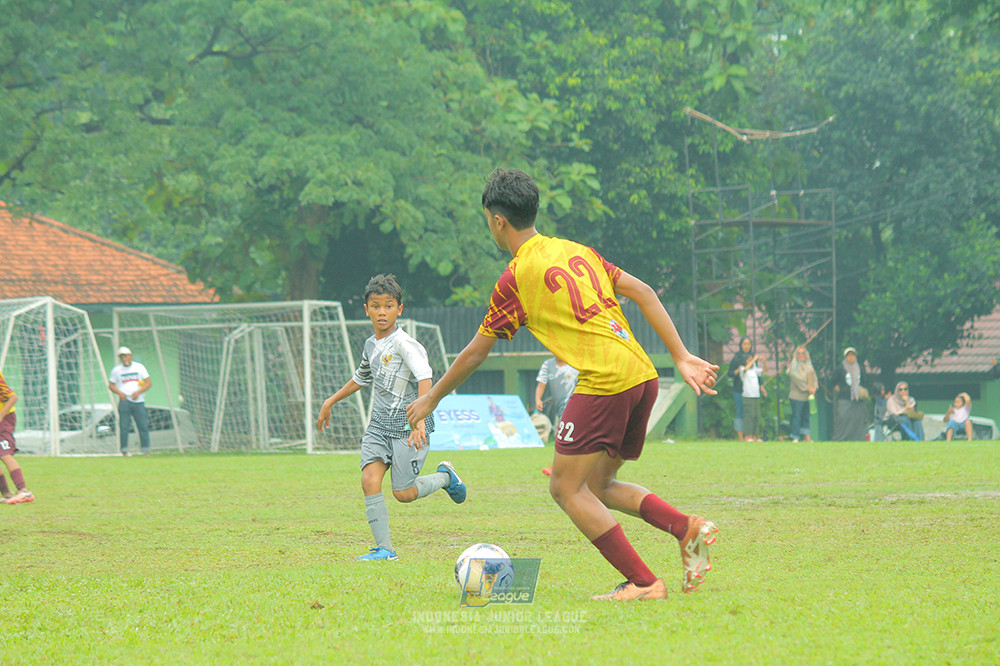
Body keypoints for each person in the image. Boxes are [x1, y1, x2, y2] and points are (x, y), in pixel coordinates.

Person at [407, 168, 720, 601]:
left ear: (497, 220)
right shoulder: (578, 251)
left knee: (564, 488)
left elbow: (476, 353)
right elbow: (646, 291)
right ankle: (686, 529)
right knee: (599, 486)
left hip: (605, 380)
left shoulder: (516, 277)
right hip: (641, 373)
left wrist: (430, 399)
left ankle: (645, 583)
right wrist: (681, 356)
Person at [317, 274, 466, 562]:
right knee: (369, 479)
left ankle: (446, 477)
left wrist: (418, 422)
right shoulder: (371, 345)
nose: (382, 312)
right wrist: (330, 400)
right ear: (366, 310)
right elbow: (362, 377)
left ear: (400, 309)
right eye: (376, 306)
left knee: (404, 493)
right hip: (378, 425)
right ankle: (385, 549)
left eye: (388, 306)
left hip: (408, 426)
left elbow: (425, 378)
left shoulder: (405, 344)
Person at [108, 346, 152, 456]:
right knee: (124, 427)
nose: (124, 359)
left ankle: (146, 449)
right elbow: (111, 385)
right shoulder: (116, 370)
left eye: (126, 356)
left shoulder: (139, 367)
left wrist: (138, 392)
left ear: (130, 356)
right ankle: (124, 450)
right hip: (125, 401)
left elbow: (148, 383)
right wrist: (120, 393)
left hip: (138, 401)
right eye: (122, 357)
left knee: (142, 425)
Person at [0, 371, 34, 504]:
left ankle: (23, 491)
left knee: (4, 454)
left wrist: (1, 416)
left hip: (4, 419)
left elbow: (13, 397)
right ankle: (6, 494)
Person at [832, 347, 868, 441]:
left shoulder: (860, 368)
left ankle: (858, 438)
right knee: (844, 418)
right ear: (845, 357)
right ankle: (841, 438)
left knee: (858, 419)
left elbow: (865, 381)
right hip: (844, 398)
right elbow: (833, 381)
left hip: (858, 400)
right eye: (848, 355)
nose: (851, 357)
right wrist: (839, 389)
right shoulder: (840, 368)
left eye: (853, 355)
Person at [534, 356, 579, 428]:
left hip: (572, 406)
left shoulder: (575, 365)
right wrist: (538, 399)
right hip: (558, 407)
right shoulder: (547, 364)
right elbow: (541, 384)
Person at [786, 346, 817, 443]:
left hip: (807, 397)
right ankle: (795, 437)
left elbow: (814, 378)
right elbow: (798, 382)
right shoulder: (793, 368)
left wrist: (814, 388)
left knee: (806, 417)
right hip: (796, 397)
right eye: (799, 353)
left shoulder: (809, 366)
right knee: (797, 417)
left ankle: (807, 438)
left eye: (803, 353)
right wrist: (809, 388)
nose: (801, 355)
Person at [727, 337, 752, 441]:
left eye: (748, 344)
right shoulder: (736, 358)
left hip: (751, 390)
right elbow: (730, 374)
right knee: (740, 412)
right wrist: (737, 371)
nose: (746, 346)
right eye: (744, 344)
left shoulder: (753, 358)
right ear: (741, 345)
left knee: (750, 413)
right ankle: (740, 436)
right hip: (738, 389)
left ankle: (749, 435)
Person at [738, 351, 767, 442]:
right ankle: (748, 436)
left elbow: (765, 370)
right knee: (749, 416)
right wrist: (754, 359)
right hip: (748, 396)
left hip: (756, 395)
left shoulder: (754, 370)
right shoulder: (742, 369)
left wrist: (764, 362)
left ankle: (755, 436)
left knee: (756, 416)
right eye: (749, 359)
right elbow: (746, 369)